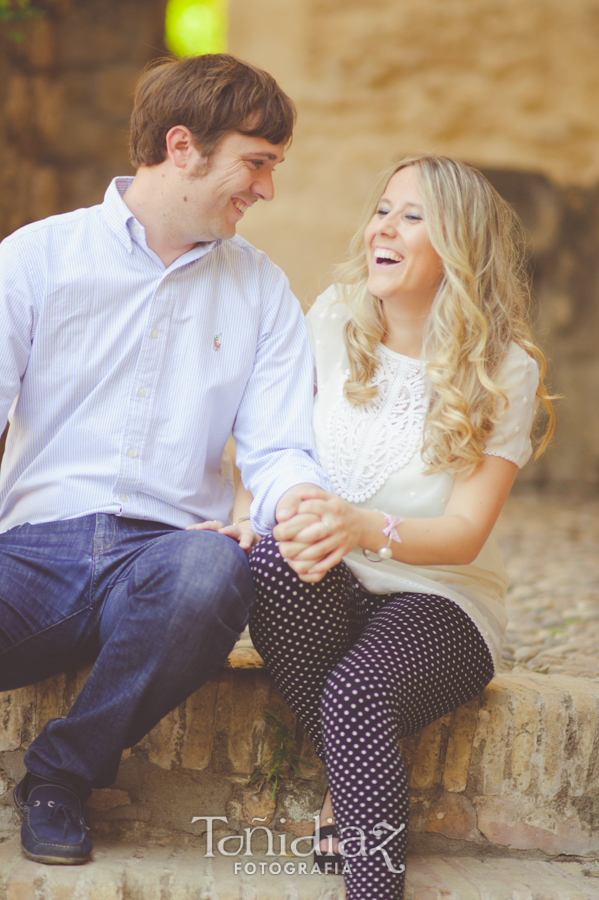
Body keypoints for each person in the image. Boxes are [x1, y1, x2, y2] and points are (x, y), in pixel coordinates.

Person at [0, 53, 332, 865]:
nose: (266, 189)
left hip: (164, 563)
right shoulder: (36, 258)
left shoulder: (260, 290)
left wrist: (303, 509)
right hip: (28, 557)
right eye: (256, 164)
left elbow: (280, 447)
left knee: (210, 572)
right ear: (182, 147)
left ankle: (60, 776)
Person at [247, 155, 555, 899]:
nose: (383, 227)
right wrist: (252, 518)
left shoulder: (501, 368)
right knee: (266, 564)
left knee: (358, 696)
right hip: (330, 580)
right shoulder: (333, 318)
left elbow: (463, 533)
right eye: (383, 209)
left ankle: (367, 878)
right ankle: (355, 787)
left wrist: (358, 526)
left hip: (439, 599)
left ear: (460, 243)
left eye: (412, 216)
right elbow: (278, 448)